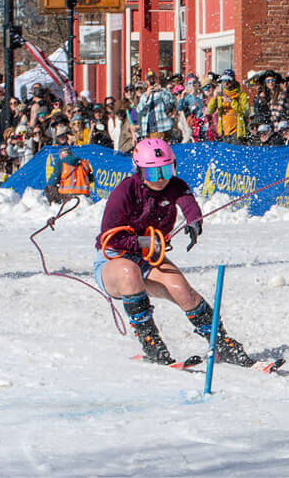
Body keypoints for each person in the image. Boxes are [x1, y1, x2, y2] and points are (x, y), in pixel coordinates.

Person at [93, 138, 255, 366]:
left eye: (166, 170)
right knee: (130, 272)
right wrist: (143, 241)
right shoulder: (124, 191)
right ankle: (152, 344)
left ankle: (220, 341)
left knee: (182, 291)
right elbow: (109, 236)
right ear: (139, 171)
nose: (160, 179)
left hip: (148, 259)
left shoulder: (174, 185)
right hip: (114, 260)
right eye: (152, 174)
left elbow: (187, 202)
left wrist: (194, 221)